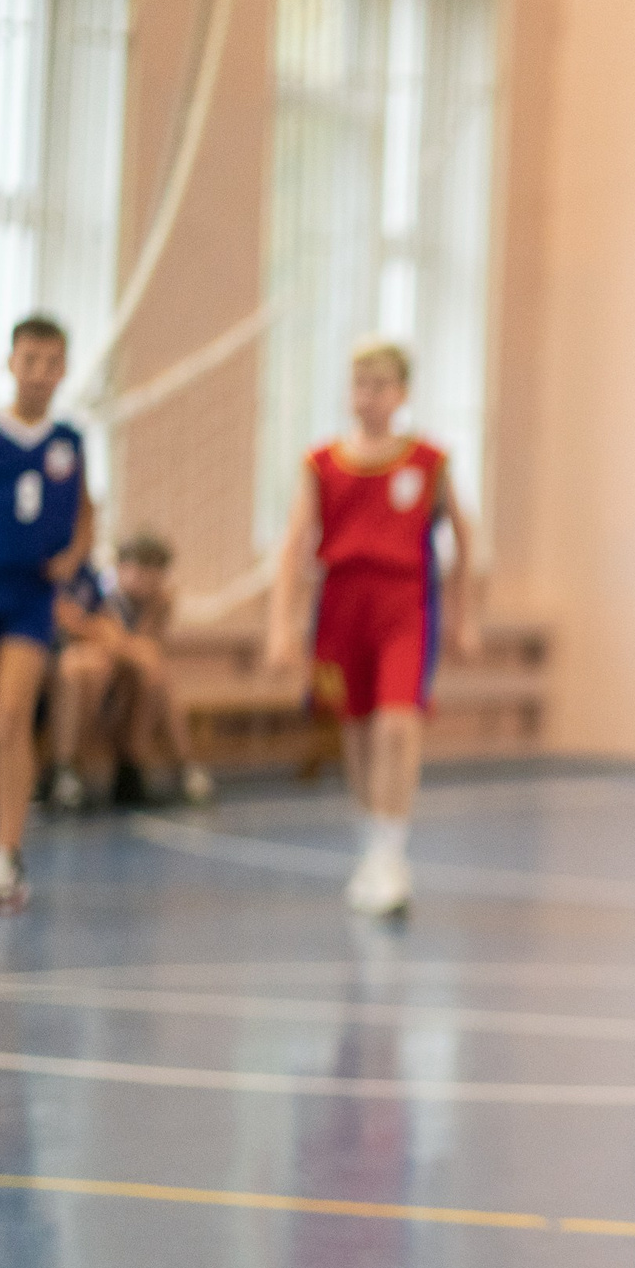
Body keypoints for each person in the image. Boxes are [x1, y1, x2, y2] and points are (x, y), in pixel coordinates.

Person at [262, 339, 480, 916]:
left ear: (402, 393)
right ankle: (371, 845)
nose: (370, 397)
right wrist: (281, 627)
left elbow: (465, 540)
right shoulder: (321, 463)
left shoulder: (429, 462)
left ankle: (392, 855)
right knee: (355, 731)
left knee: (396, 725)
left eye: (381, 386)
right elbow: (293, 547)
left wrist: (464, 616)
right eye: (361, 385)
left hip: (404, 605)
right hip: (339, 608)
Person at [0, 315, 94, 909]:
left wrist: (73, 557)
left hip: (30, 597)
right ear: (10, 363)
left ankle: (8, 852)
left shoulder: (68, 443)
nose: (41, 374)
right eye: (30, 361)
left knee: (10, 719)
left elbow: (85, 514)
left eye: (52, 363)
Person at [50, 533, 213, 812]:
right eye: (141, 570)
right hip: (73, 687)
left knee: (154, 675)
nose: (148, 579)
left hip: (117, 696)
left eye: (155, 572)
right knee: (93, 667)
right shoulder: (105, 597)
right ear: (122, 569)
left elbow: (145, 649)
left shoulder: (96, 582)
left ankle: (138, 767)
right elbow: (101, 636)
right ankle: (65, 769)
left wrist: (152, 616)